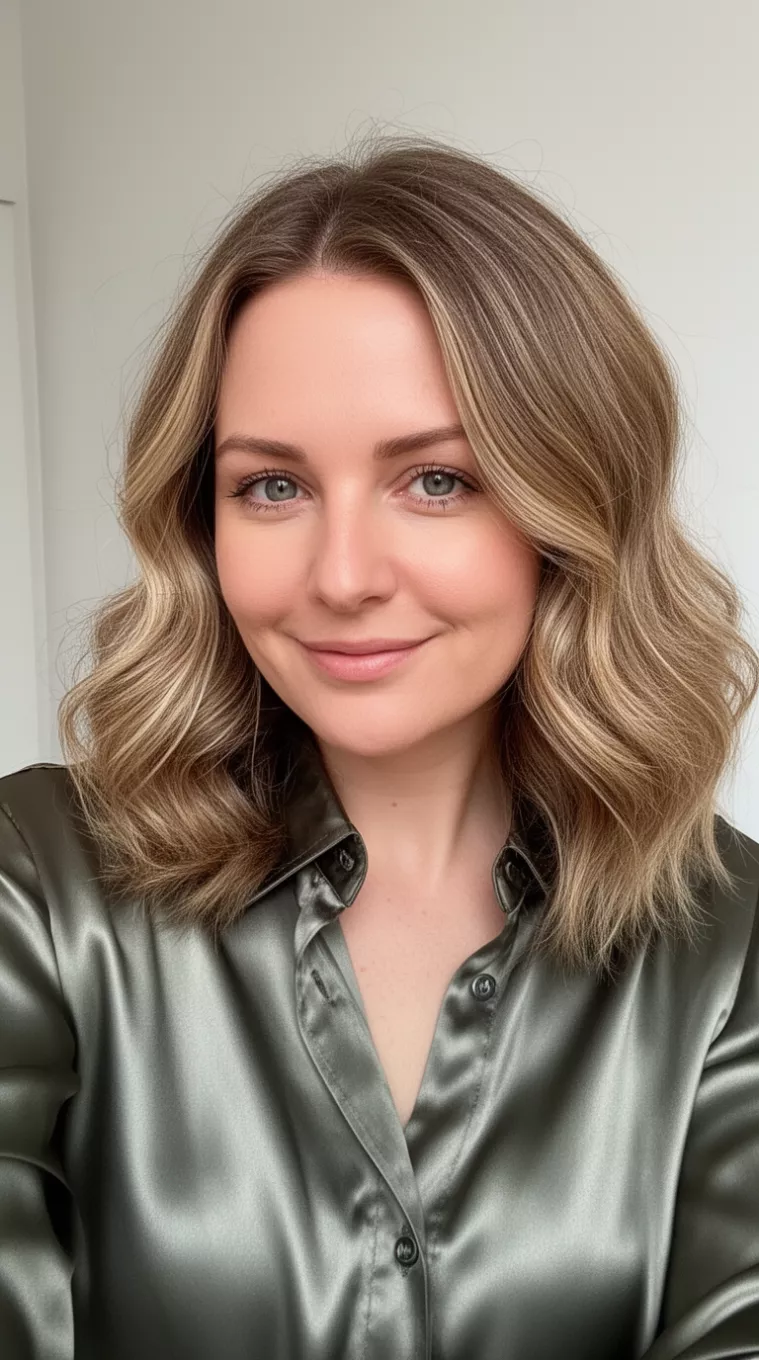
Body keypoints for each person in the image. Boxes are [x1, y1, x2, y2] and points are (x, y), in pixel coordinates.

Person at [1, 131, 758, 1360]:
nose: (341, 577)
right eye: (272, 488)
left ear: (570, 505)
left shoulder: (729, 948)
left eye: (438, 481)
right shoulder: (36, 887)